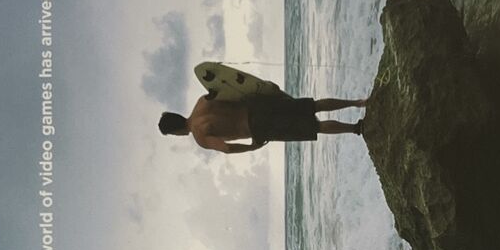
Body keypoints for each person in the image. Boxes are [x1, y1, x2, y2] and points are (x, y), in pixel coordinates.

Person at [158, 88, 368, 151]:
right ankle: (357, 102)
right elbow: (228, 89)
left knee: (316, 126)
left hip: (258, 127)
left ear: (176, 132)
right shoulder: (202, 102)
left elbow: (226, 148)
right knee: (313, 106)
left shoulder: (200, 135)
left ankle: (356, 128)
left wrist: (252, 147)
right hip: (258, 106)